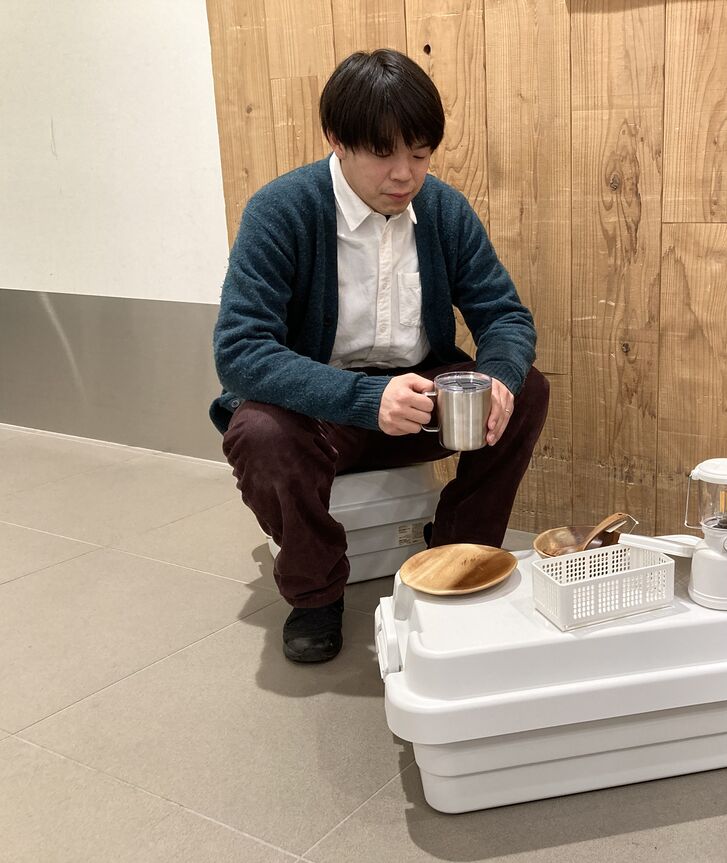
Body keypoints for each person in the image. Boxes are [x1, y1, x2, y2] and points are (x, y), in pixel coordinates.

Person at [210, 49, 549, 663]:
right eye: (383, 154)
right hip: (324, 409)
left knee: (527, 390)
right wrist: (366, 399)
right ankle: (315, 592)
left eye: (420, 154)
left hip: (419, 402)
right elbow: (240, 350)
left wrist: (499, 376)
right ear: (336, 140)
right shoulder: (281, 211)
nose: (404, 175)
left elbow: (503, 315)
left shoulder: (442, 209)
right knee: (259, 431)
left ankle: (457, 553)